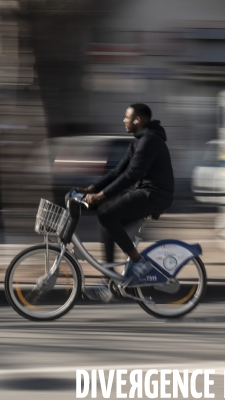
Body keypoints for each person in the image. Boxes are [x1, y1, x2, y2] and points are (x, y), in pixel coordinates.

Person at [82, 103, 174, 301]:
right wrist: (92, 188)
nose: (123, 120)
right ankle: (109, 282)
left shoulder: (150, 141)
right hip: (144, 192)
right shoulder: (138, 141)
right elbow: (118, 171)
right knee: (106, 220)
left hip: (155, 194)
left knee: (106, 213)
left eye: (126, 117)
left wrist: (102, 195)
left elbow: (133, 174)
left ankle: (138, 263)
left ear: (138, 120)